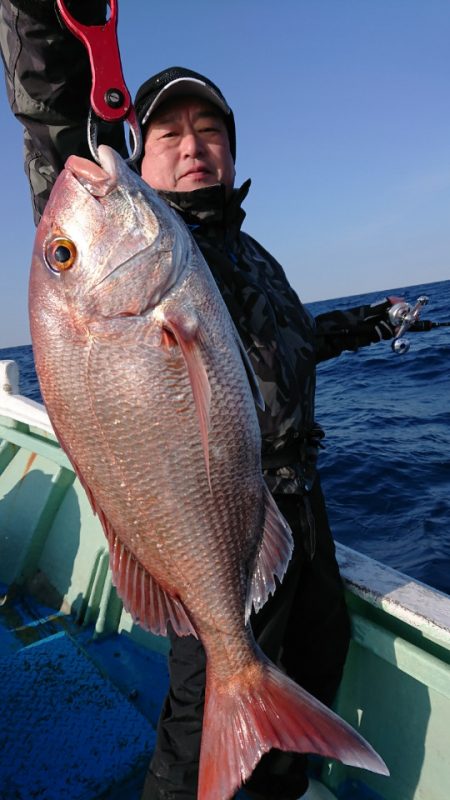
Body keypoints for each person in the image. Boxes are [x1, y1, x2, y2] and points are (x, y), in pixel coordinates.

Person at [0, 2, 397, 798]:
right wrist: (42, 17)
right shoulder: (142, 237)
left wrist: (370, 322)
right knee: (195, 733)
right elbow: (59, 133)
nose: (193, 147)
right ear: (137, 159)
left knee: (314, 673)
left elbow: (290, 343)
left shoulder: (252, 257)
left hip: (300, 512)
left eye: (210, 131)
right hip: (207, 521)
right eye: (170, 135)